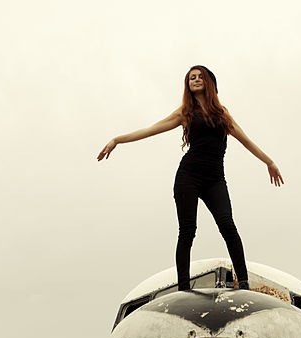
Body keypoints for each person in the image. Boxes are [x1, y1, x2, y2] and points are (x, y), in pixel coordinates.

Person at [98, 65, 283, 291]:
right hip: (189, 176)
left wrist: (269, 162)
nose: (195, 80)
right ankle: (183, 289)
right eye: (191, 78)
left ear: (209, 82)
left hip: (215, 178)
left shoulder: (222, 114)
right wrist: (117, 139)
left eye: (199, 77)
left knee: (228, 225)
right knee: (187, 230)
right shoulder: (185, 112)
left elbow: (245, 140)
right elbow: (151, 129)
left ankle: (243, 282)